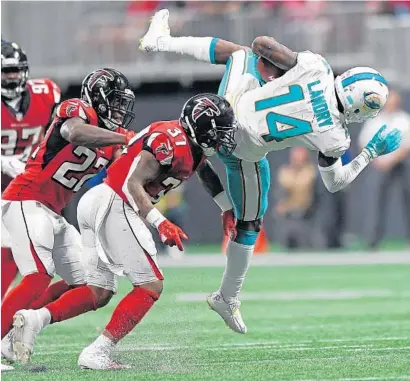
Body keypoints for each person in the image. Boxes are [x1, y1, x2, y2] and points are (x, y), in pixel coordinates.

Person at [139, 9, 402, 334]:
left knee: (240, 54)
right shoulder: (335, 137)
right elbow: (336, 183)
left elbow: (261, 43)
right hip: (241, 151)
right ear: (361, 108)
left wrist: (273, 75)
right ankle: (227, 297)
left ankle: (162, 41)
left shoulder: (317, 67)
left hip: (229, 108)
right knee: (248, 226)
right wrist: (370, 153)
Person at [10, 94, 237, 369]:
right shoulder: (170, 140)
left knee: (98, 291)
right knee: (151, 285)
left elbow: (205, 172)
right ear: (200, 127)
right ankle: (98, 352)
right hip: (117, 202)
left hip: (100, 201)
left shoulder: (189, 145)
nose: (222, 140)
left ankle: (34, 319)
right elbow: (133, 183)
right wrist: (159, 221)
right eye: (218, 133)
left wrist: (225, 208)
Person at [1, 68, 136, 362]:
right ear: (98, 100)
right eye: (114, 102)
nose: (119, 110)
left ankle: (21, 331)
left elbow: (123, 173)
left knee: (97, 286)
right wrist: (123, 137)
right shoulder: (76, 109)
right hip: (26, 199)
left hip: (53, 212)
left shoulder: (110, 141)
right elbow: (72, 131)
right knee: (38, 276)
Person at [1, 40, 61, 302]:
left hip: (28, 184)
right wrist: (3, 161)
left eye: (16, 70)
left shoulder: (46, 92)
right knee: (8, 245)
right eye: (6, 71)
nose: (12, 77)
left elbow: (58, 129)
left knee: (24, 248)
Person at [359, 90, 410, 249]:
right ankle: (373, 240)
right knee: (376, 202)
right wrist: (377, 159)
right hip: (379, 165)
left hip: (400, 165)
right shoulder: (374, 121)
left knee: (408, 202)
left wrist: (392, 159)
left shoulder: (405, 120)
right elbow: (364, 142)